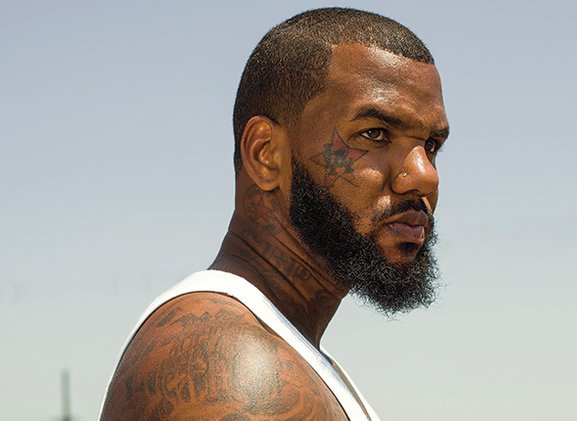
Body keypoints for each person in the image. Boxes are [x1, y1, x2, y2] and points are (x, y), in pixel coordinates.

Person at [100, 7, 449, 421]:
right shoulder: (236, 371)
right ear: (265, 154)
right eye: (374, 134)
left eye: (431, 145)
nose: (424, 176)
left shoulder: (280, 351)